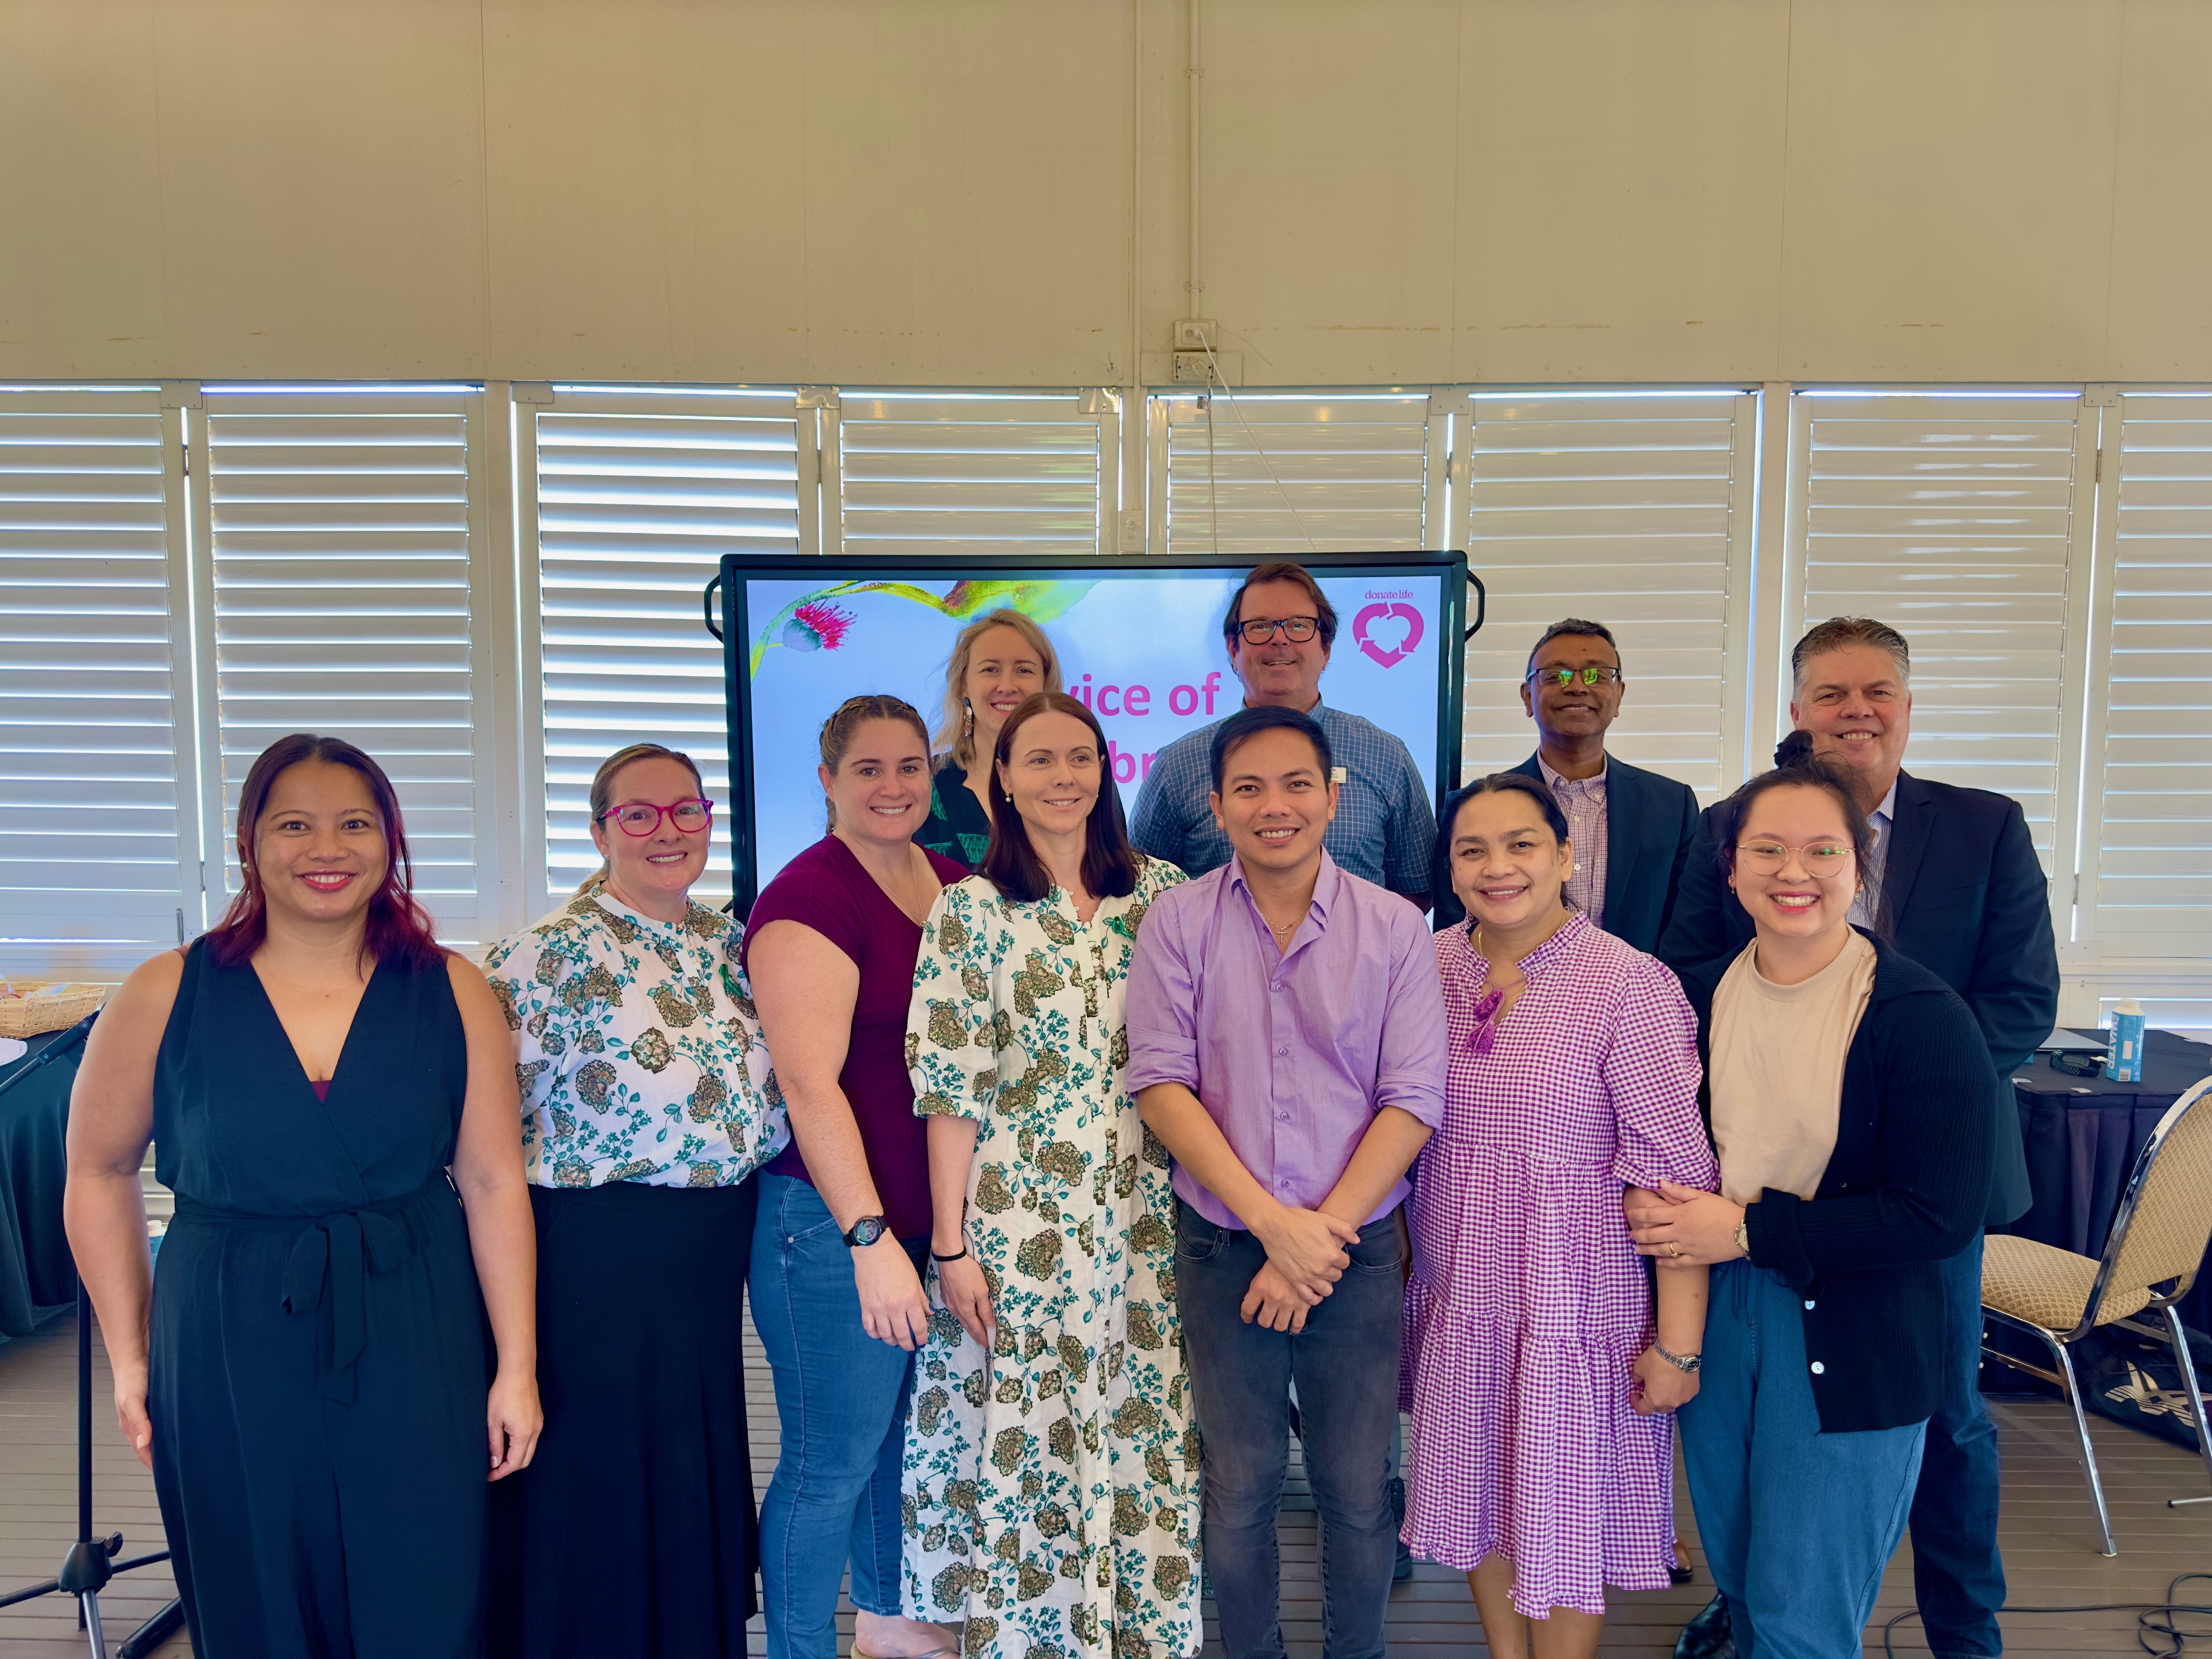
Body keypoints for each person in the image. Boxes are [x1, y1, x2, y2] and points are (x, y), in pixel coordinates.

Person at [65, 733, 540, 1659]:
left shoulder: (454, 989)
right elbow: (97, 1169)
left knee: (424, 1572)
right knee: (256, 1582)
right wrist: (131, 1357)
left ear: (389, 839)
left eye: (355, 822)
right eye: (295, 823)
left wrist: (514, 1363)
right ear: (251, 841)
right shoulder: (168, 990)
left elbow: (491, 1179)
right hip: (224, 1329)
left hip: (413, 1314)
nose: (328, 847)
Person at [1656, 619, 2058, 1659]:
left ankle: (1961, 1630)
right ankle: (1756, 1609)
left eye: (1876, 689)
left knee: (1944, 1419)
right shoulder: (1725, 837)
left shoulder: (1980, 831)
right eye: (1831, 692)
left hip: (1908, 1199)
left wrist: (1923, 1084)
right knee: (1759, 1516)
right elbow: (1689, 973)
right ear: (1798, 710)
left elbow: (2018, 999)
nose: (1855, 708)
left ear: (1906, 705)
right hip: (1736, 1239)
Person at [1128, 704, 1449, 1659]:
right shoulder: (1176, 919)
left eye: (1297, 784)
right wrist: (1276, 1227)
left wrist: (1318, 1239)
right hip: (1223, 1243)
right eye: (1250, 788)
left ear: (1331, 795)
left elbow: (1412, 1097)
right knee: (1240, 1482)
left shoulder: (1395, 927)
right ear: (1216, 805)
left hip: (1353, 1252)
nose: (1276, 805)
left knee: (1357, 1489)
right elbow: (1159, 1080)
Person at [902, 690, 1200, 1659]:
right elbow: (950, 1090)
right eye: (1038, 760)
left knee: (1143, 1414)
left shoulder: (1167, 890)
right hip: (1017, 1211)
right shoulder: (967, 908)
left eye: (1080, 756)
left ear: (1105, 770)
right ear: (1003, 780)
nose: (1062, 776)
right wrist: (950, 1242)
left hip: (1147, 1207)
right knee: (1032, 1428)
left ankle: (1139, 1632)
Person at [484, 741, 788, 1659]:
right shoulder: (541, 957)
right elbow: (478, 1137)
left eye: (686, 810)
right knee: (596, 1468)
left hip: (704, 1255)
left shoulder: (729, 943)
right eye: (639, 814)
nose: (668, 830)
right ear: (600, 831)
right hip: (592, 1254)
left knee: (681, 1452)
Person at [1403, 773, 1717, 1658]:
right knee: (1480, 1498)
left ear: (1565, 855)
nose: (1497, 866)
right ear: (1451, 868)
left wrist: (1678, 1345)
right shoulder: (1426, 966)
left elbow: (1674, 1181)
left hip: (1573, 1304)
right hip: (1461, 1293)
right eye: (1472, 848)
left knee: (1559, 1516)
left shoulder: (1629, 982)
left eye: (1521, 843)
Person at [744, 697, 973, 1659]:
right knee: (829, 1461)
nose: (893, 786)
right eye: (868, 768)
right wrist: (870, 1240)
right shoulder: (809, 894)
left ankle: (889, 1627)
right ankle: (797, 1647)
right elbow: (807, 1079)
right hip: (833, 1227)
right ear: (828, 779)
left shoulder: (956, 882)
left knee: (901, 1446)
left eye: (909, 766)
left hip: (933, 1227)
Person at [1131, 560, 1437, 909]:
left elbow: (1416, 890)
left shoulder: (1385, 755)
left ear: (1326, 649)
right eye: (1259, 627)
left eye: (1298, 625)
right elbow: (1142, 893)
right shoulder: (1177, 765)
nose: (1279, 639)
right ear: (1234, 650)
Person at [1492, 618, 1700, 954]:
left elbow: (1688, 928)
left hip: (1634, 1000)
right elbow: (1460, 925)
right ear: (1528, 697)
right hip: (1513, 997)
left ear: (1618, 695)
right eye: (1556, 675)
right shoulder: (1482, 805)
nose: (1576, 687)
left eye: (1596, 675)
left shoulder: (1672, 806)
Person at [916, 608, 1063, 870]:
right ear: (963, 685)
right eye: (991, 669)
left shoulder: (1081, 779)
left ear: (1046, 683)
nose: (1007, 686)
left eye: (1025, 671)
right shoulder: (925, 785)